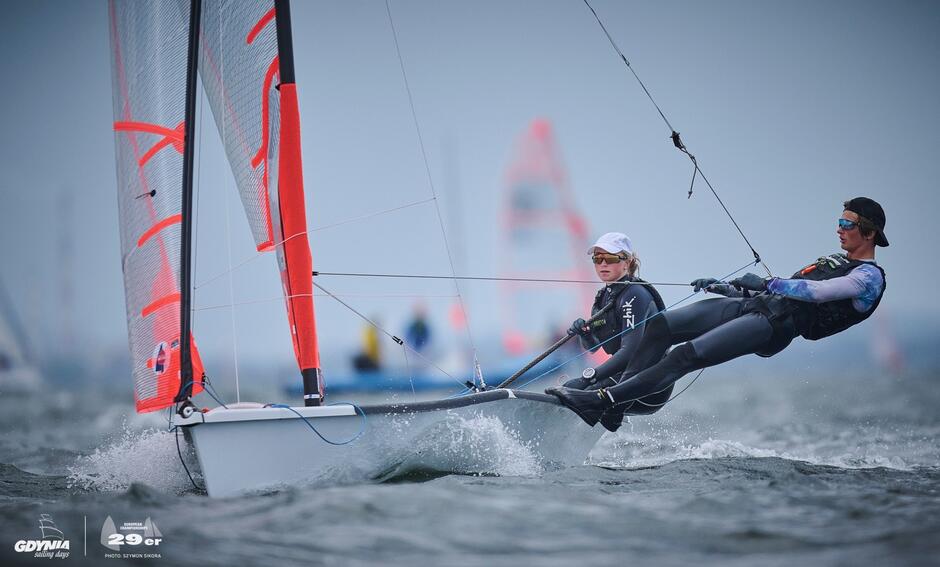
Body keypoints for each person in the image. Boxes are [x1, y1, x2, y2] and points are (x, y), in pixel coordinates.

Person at [549, 198, 888, 430]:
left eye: (847, 223)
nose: (839, 228)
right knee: (658, 326)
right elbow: (777, 289)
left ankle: (604, 400)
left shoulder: (868, 278)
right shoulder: (838, 260)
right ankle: (614, 403)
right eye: (839, 221)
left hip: (772, 325)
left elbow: (816, 293)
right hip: (753, 305)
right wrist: (726, 288)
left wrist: (769, 284)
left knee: (684, 356)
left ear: (869, 232)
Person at [545, 232, 669, 432]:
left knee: (579, 392)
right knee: (569, 389)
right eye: (597, 259)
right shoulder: (604, 296)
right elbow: (594, 348)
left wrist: (587, 378)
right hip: (625, 378)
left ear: (626, 263)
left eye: (610, 259)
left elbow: (631, 351)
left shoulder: (634, 295)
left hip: (651, 384)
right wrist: (584, 334)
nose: (603, 264)